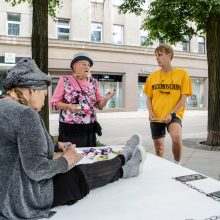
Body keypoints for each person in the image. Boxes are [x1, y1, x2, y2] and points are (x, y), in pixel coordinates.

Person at [0, 58, 147, 220]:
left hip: (5, 194)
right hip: (25, 197)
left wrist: (56, 145)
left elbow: (17, 146)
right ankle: (124, 162)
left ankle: (125, 161)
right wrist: (67, 160)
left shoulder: (4, 105)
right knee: (82, 174)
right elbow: (37, 170)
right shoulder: (25, 114)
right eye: (43, 94)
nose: (44, 101)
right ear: (32, 90)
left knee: (79, 171)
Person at [50, 52, 115, 147]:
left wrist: (105, 99)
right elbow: (53, 103)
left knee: (88, 155)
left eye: (89, 65)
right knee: (72, 156)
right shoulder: (65, 80)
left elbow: (99, 106)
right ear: (74, 65)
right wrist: (69, 106)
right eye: (84, 64)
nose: (87, 67)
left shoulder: (93, 82)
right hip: (70, 128)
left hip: (89, 128)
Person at [144, 44, 192, 165]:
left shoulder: (182, 74)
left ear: (169, 55)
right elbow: (149, 98)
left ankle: (177, 165)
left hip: (174, 114)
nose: (157, 58)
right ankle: (161, 169)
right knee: (159, 149)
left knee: (176, 138)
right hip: (156, 116)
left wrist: (172, 113)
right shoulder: (152, 76)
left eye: (160, 55)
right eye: (156, 56)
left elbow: (183, 97)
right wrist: (150, 112)